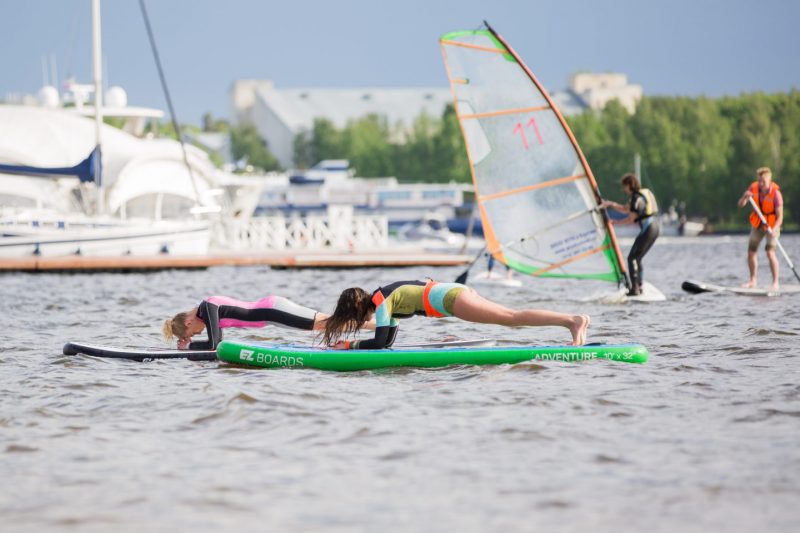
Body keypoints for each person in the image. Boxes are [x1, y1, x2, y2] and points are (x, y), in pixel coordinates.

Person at [322, 279, 590, 349]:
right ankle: (571, 322)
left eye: (352, 319)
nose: (357, 324)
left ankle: (571, 320)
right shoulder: (384, 300)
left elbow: (379, 343)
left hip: (450, 299)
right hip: (452, 294)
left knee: (512, 318)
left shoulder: (382, 303)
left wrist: (349, 345)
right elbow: (388, 341)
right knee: (512, 316)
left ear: (356, 309)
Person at [163, 295, 330, 350]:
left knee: (326, 324)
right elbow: (219, 343)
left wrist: (189, 347)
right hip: (272, 316)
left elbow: (213, 344)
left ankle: (355, 321)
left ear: (188, 323)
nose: (198, 334)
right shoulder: (205, 311)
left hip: (272, 310)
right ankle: (354, 324)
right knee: (326, 324)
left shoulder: (207, 307)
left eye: (192, 334)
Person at [601, 173, 660, 296]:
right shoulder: (642, 194)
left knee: (632, 258)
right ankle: (639, 286)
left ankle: (635, 290)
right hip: (655, 227)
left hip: (649, 228)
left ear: (630, 185)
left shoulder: (635, 197)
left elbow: (631, 218)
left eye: (624, 186)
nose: (623, 189)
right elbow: (625, 208)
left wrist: (614, 222)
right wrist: (611, 204)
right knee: (637, 258)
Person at [738, 167, 783, 291]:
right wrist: (744, 197)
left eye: (764, 181)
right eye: (759, 181)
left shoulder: (776, 194)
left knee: (770, 253)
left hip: (772, 226)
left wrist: (774, 229)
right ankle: (752, 280)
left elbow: (780, 217)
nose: (761, 184)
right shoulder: (753, 188)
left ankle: (775, 282)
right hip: (758, 224)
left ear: (769, 180)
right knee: (751, 252)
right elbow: (741, 205)